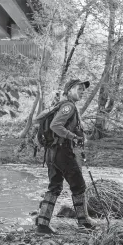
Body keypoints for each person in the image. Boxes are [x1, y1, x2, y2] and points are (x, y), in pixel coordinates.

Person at [35, 79, 97, 234]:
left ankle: (42, 225)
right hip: (63, 153)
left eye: (84, 89)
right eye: (80, 88)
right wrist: (73, 137)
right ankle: (84, 222)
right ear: (69, 90)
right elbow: (55, 126)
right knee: (79, 186)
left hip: (51, 153)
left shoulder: (59, 106)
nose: (82, 91)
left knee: (54, 187)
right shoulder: (68, 106)